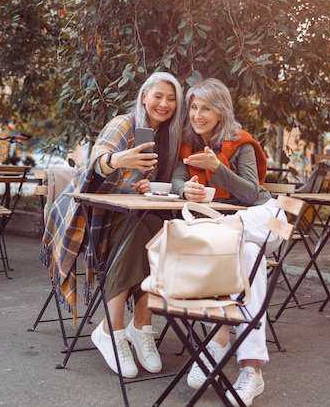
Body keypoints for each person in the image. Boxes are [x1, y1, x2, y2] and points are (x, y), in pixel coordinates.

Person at [40, 72, 183, 379]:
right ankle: (111, 329)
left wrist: (148, 185)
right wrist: (118, 161)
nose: (164, 103)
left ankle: (142, 326)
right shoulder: (125, 123)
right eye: (158, 95)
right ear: (144, 96)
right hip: (96, 212)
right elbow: (98, 160)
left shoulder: (165, 137)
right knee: (136, 237)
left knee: (160, 233)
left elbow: (148, 182)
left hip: (132, 211)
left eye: (171, 99)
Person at [171, 77, 286, 406]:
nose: (197, 114)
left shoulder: (240, 142)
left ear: (220, 111)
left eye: (205, 107)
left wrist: (217, 168)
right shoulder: (189, 143)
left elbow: (251, 192)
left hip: (269, 219)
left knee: (231, 234)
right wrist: (185, 190)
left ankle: (217, 340)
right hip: (237, 239)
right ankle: (252, 370)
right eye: (193, 107)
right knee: (248, 256)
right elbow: (180, 178)